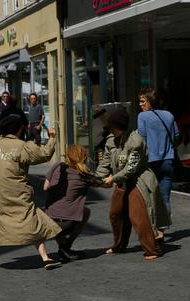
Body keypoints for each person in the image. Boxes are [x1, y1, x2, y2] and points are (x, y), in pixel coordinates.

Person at [0, 114, 62, 270]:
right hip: (17, 192)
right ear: (20, 128)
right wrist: (52, 138)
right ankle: (45, 258)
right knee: (32, 220)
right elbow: (44, 155)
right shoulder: (22, 146)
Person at [96, 105, 170, 260]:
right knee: (115, 214)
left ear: (119, 126)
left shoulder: (135, 141)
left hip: (138, 181)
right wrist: (98, 178)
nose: (110, 129)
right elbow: (105, 163)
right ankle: (119, 245)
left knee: (138, 217)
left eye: (112, 126)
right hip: (121, 182)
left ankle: (152, 249)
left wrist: (112, 179)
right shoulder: (110, 140)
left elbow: (131, 169)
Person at [44, 145, 103, 261]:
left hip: (48, 220)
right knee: (85, 211)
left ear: (67, 157)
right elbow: (104, 183)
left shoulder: (57, 166)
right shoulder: (85, 176)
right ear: (84, 158)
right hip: (67, 224)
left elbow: (45, 187)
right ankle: (66, 246)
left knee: (55, 212)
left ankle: (63, 247)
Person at [137, 87, 179, 240]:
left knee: (149, 197)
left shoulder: (143, 117)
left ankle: (154, 230)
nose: (140, 104)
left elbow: (141, 138)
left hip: (150, 162)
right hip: (168, 160)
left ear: (149, 101)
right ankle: (162, 231)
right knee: (165, 197)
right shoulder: (169, 115)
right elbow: (176, 135)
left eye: (142, 101)